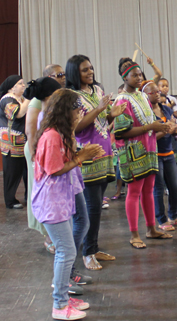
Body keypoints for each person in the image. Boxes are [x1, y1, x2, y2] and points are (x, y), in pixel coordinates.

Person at [31, 88, 103, 320]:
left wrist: (83, 152)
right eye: (77, 109)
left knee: (67, 250)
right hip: (51, 203)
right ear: (66, 110)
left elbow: (64, 160)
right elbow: (54, 169)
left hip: (58, 200)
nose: (80, 113)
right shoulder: (52, 136)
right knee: (66, 251)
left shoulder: (60, 132)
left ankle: (64, 298)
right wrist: (81, 157)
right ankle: (60, 306)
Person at [66, 54, 125, 270]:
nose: (90, 72)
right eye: (84, 70)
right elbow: (78, 126)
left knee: (97, 206)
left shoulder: (97, 90)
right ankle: (87, 252)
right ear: (75, 72)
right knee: (91, 208)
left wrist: (111, 115)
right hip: (88, 155)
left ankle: (94, 246)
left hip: (105, 152)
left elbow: (101, 121)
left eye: (91, 68)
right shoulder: (71, 96)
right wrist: (100, 109)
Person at [114, 58, 173, 249]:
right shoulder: (122, 100)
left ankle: (151, 228)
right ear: (125, 77)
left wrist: (161, 127)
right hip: (133, 153)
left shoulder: (142, 96)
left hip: (148, 150)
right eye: (135, 75)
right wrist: (151, 126)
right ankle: (134, 234)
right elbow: (121, 132)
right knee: (134, 192)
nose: (139, 78)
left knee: (148, 190)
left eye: (140, 74)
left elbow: (149, 124)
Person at [142, 80, 177, 230]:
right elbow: (149, 137)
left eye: (158, 92)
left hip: (168, 153)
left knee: (174, 187)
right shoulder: (146, 114)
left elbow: (172, 129)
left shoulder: (166, 110)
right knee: (158, 189)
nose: (157, 94)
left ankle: (173, 216)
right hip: (154, 155)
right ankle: (161, 220)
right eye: (153, 92)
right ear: (145, 95)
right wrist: (168, 130)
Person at [24, 77, 61, 254]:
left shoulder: (52, 104)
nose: (62, 77)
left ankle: (55, 234)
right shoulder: (37, 103)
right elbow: (31, 131)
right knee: (44, 193)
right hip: (37, 149)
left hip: (47, 148)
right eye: (58, 75)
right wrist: (34, 158)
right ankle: (48, 236)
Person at [0, 75, 29, 209]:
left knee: (27, 170)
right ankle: (10, 200)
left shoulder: (21, 99)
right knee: (12, 172)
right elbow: (18, 114)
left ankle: (29, 196)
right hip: (11, 143)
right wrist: (29, 98)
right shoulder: (7, 100)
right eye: (20, 83)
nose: (23, 86)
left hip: (23, 141)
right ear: (12, 87)